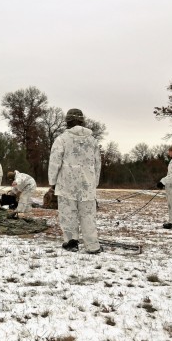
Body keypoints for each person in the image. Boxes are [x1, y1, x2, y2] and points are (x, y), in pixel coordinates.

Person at [48, 108, 101, 254]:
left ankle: (71, 242)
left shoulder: (62, 139)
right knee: (88, 215)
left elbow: (54, 162)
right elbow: (97, 163)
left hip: (67, 183)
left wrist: (52, 181)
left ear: (68, 121)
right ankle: (92, 245)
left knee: (68, 213)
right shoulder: (92, 140)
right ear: (82, 121)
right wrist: (94, 182)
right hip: (87, 184)